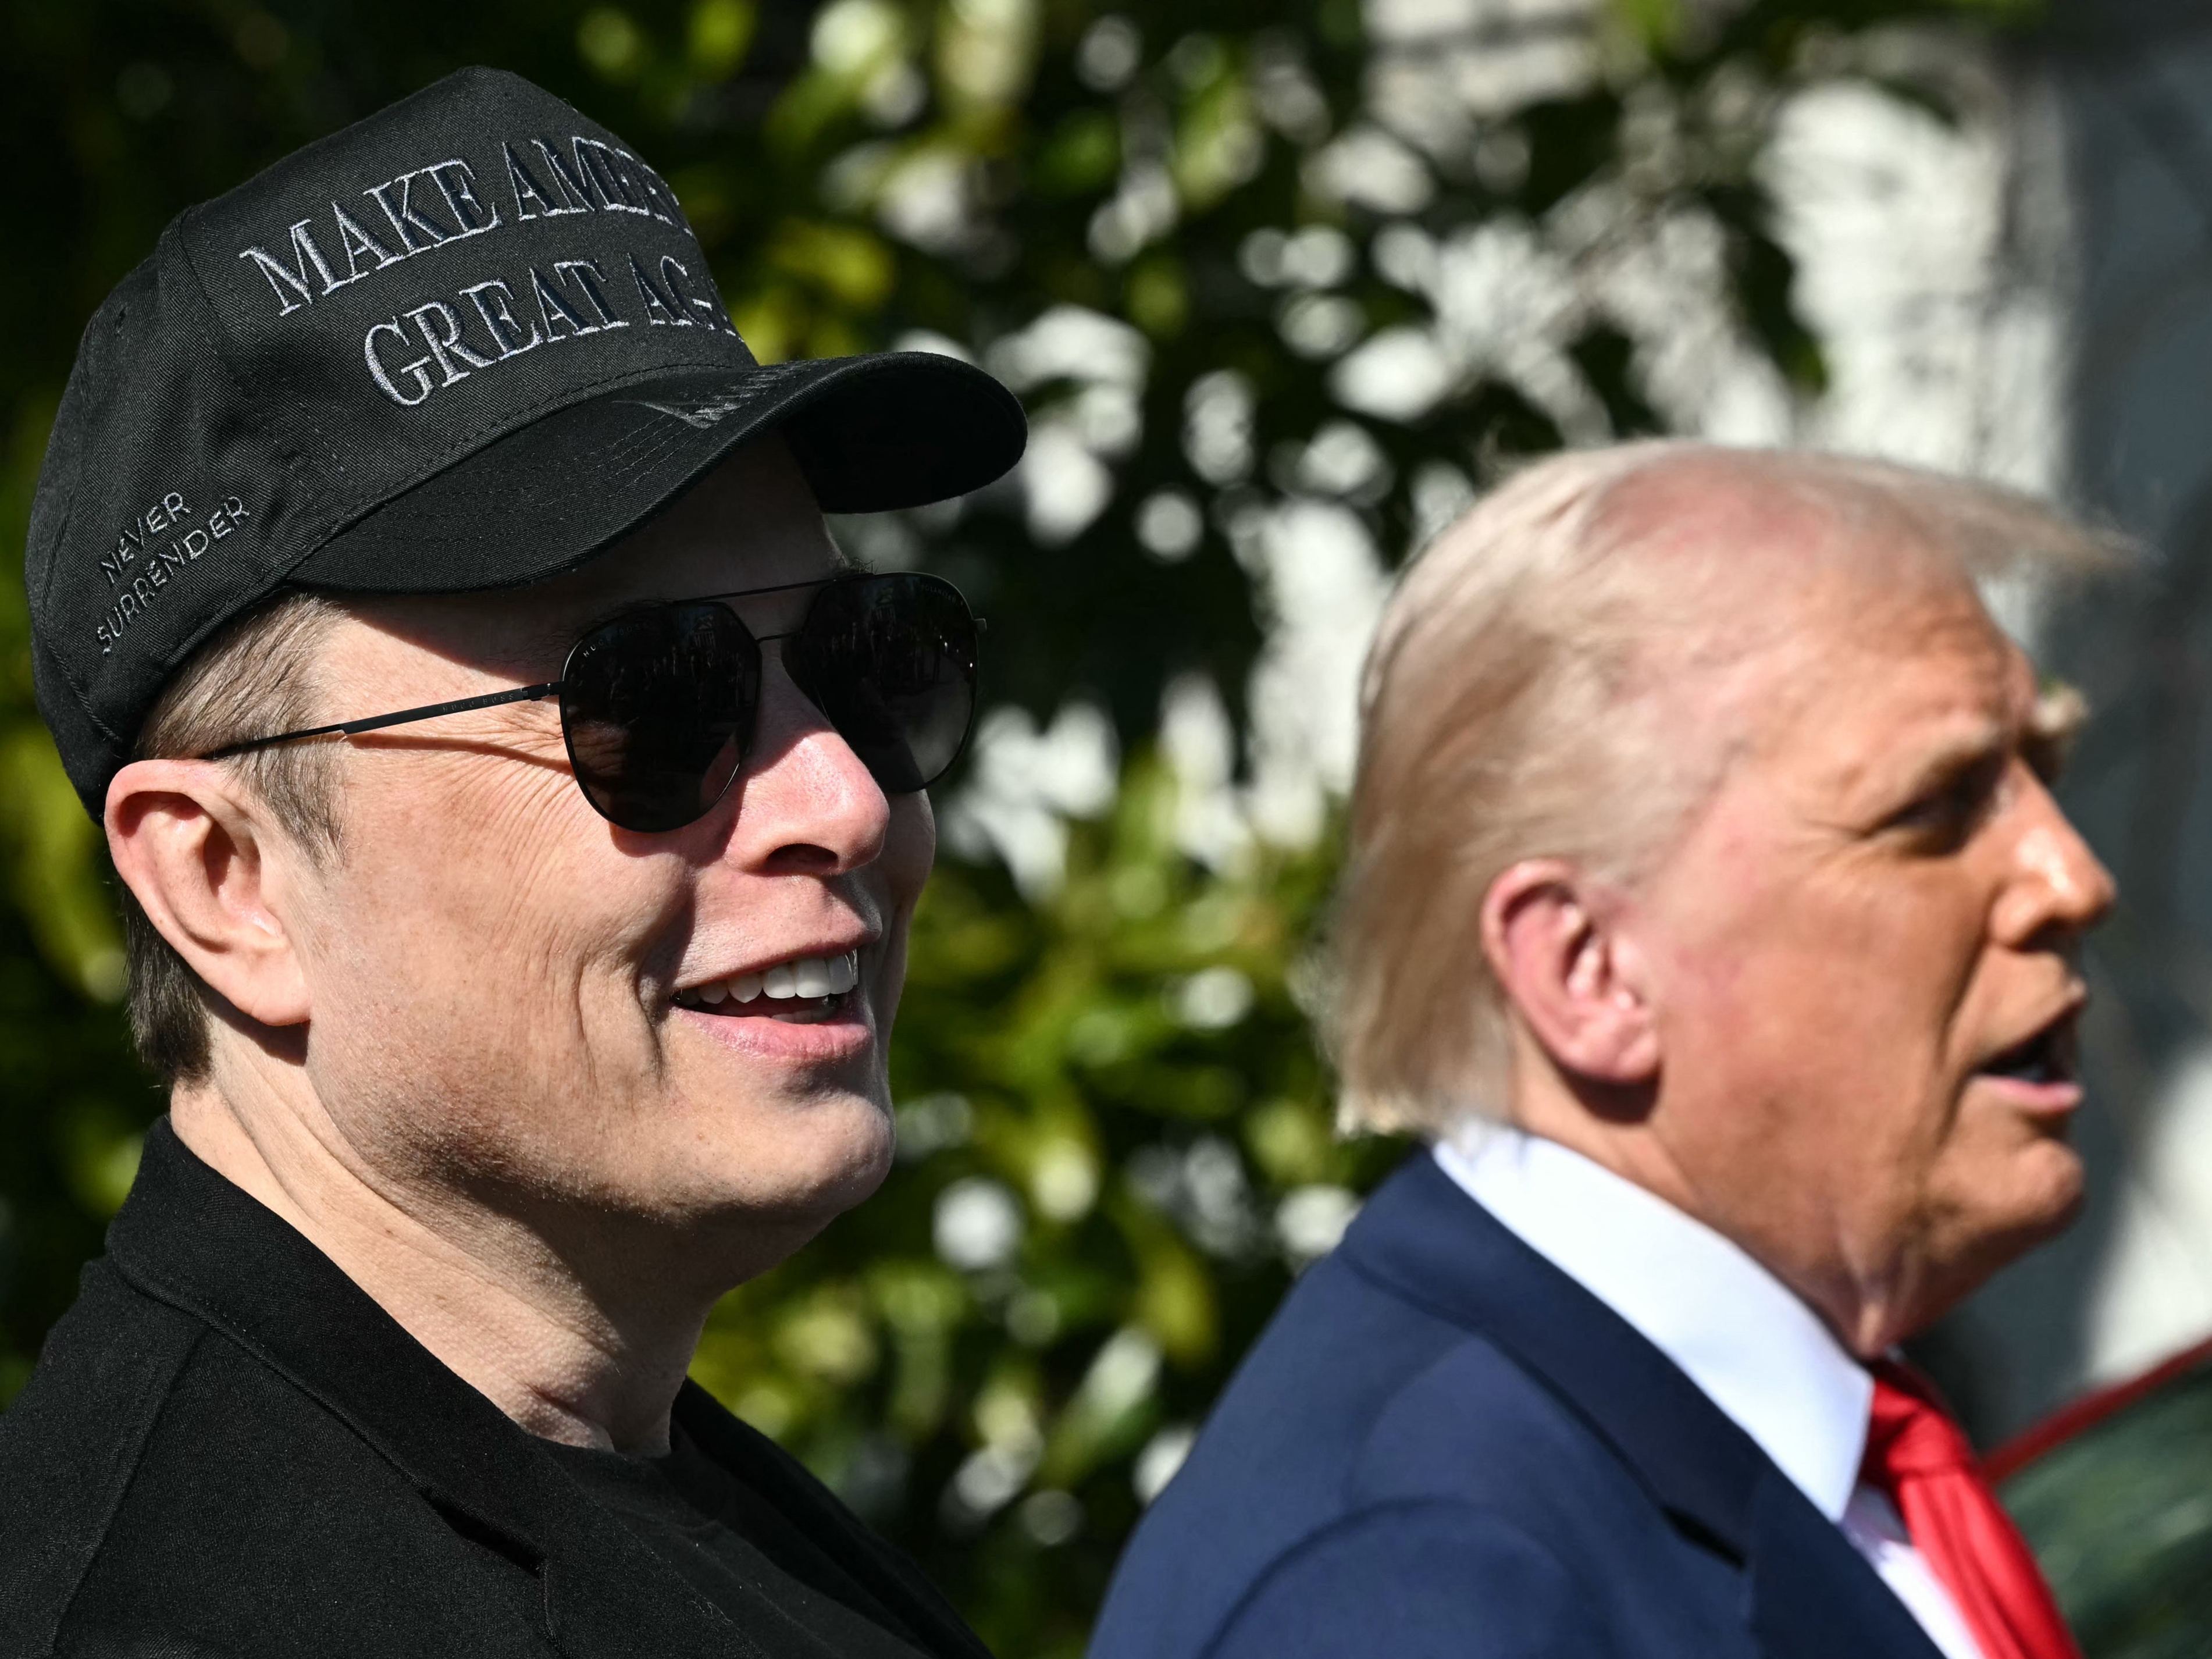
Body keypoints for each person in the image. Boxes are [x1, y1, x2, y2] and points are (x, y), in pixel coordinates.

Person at [0, 66, 1025, 1659]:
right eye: (650, 698)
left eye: (863, 658)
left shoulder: (639, 1478)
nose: (841, 793)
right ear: (226, 882)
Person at [1091, 443, 2114, 1659]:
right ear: (1589, 970)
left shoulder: (1792, 1443)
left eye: (2043, 768)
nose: (2071, 877)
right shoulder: (1422, 1584)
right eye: (1934, 807)